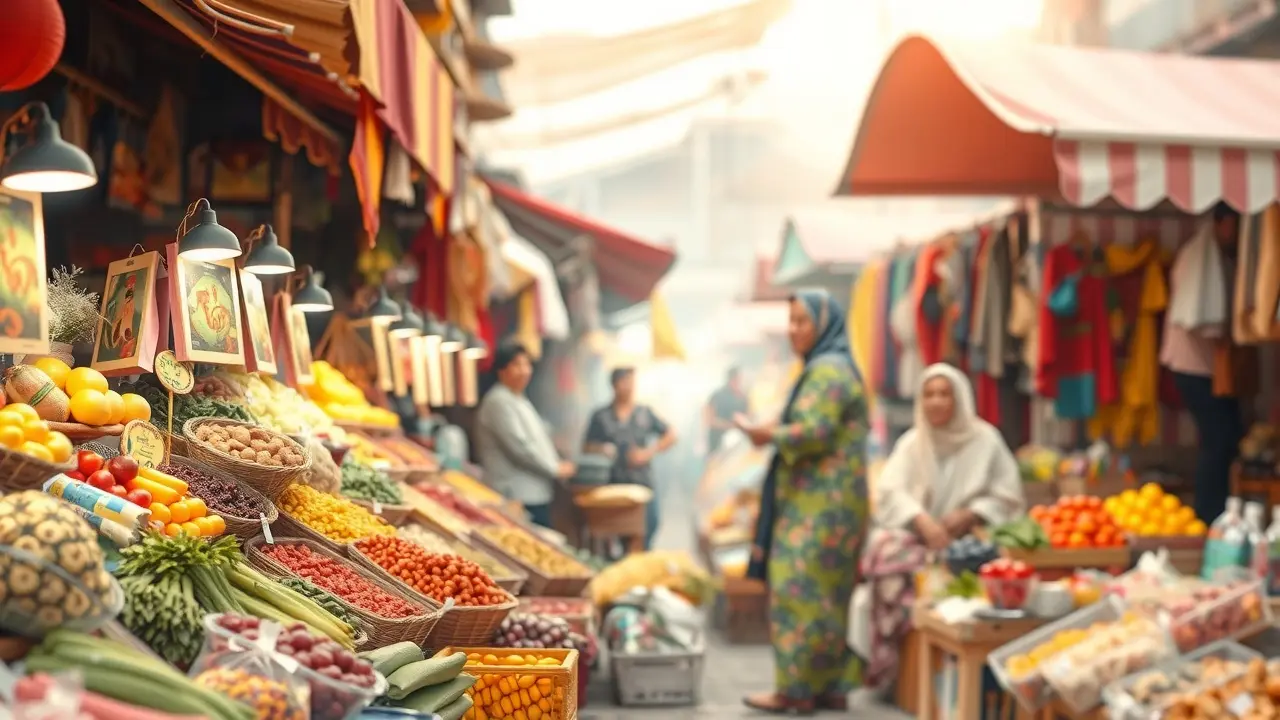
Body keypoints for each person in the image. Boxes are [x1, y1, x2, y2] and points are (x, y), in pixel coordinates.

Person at [734, 289, 868, 715]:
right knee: (827, 597)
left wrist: (765, 435)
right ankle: (829, 687)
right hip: (835, 505)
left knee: (797, 590)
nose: (794, 331)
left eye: (802, 321)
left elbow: (815, 431)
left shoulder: (827, 370)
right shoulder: (833, 366)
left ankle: (794, 691)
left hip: (817, 505)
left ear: (823, 324)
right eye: (790, 321)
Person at [855, 363, 1025, 689]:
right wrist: (921, 521)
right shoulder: (912, 443)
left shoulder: (987, 440)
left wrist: (972, 513)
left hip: (972, 542)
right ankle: (896, 662)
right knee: (885, 554)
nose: (936, 402)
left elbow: (1009, 497)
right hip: (922, 541)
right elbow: (891, 492)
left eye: (944, 394)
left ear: (959, 398)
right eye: (929, 394)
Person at [1162, 202, 1244, 522]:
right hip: (1194, 365)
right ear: (1224, 223)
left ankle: (1216, 510)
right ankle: (1209, 513)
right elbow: (1198, 315)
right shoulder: (1199, 256)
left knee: (1223, 436)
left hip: (1200, 365)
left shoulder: (1207, 253)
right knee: (1218, 438)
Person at [475, 340, 575, 528]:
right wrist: (554, 468)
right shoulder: (499, 401)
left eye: (527, 364)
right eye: (517, 365)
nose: (525, 370)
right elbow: (520, 448)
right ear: (501, 371)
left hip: (534, 492)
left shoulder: (519, 400)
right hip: (516, 494)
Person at [583, 367, 676, 549]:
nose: (630, 386)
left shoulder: (644, 413)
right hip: (612, 484)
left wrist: (649, 452)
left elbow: (671, 434)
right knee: (616, 530)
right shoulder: (601, 416)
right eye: (625, 381)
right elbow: (586, 446)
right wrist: (602, 449)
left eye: (632, 382)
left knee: (650, 524)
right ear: (614, 385)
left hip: (642, 481)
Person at [704, 367, 749, 455]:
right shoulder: (717, 396)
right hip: (718, 440)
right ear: (732, 379)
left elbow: (748, 415)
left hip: (738, 441)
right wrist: (730, 425)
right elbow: (710, 420)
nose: (739, 382)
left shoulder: (743, 396)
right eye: (737, 379)